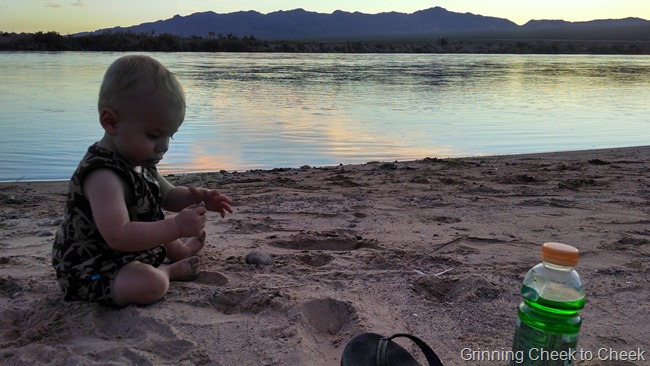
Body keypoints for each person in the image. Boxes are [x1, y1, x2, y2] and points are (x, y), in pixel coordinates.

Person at [52, 55, 233, 307]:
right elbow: (119, 236)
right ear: (111, 122)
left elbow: (168, 196)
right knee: (150, 284)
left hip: (129, 255)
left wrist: (199, 197)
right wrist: (178, 227)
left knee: (154, 215)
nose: (164, 147)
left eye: (170, 136)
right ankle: (170, 271)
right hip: (93, 270)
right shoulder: (102, 175)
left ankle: (180, 252)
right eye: (153, 135)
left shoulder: (140, 162)